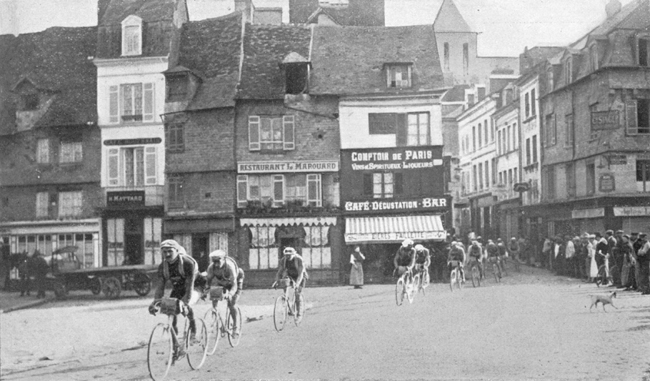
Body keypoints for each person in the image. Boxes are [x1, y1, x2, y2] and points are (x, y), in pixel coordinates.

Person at [148, 239, 199, 358]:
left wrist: (185, 303)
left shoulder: (187, 263)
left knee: (187, 306)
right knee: (170, 310)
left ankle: (193, 329)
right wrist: (155, 302)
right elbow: (160, 287)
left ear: (177, 250)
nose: (167, 255)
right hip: (179, 287)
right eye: (164, 252)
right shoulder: (163, 266)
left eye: (170, 251)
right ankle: (175, 344)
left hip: (195, 285)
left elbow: (190, 286)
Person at [204, 249, 244, 337]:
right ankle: (216, 319)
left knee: (231, 303)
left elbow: (234, 285)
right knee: (214, 295)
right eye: (214, 261)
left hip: (235, 282)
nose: (216, 264)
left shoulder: (230, 267)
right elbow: (208, 281)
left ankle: (235, 326)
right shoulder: (211, 267)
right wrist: (206, 290)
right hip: (222, 282)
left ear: (224, 259)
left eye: (218, 261)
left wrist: (230, 294)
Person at [273, 247, 307, 322]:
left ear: (294, 254)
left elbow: (301, 274)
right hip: (290, 276)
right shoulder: (283, 260)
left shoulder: (299, 259)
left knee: (297, 293)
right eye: (286, 255)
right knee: (285, 284)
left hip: (300, 276)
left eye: (289, 255)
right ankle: (286, 302)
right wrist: (277, 281)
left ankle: (299, 314)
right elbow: (280, 272)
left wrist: (297, 284)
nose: (288, 257)